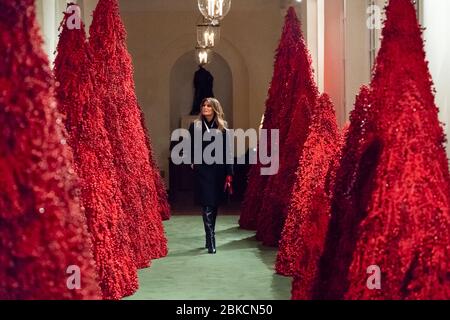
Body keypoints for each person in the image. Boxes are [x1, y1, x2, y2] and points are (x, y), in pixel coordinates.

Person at [189, 98, 234, 254]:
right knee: (207, 203)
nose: (205, 108)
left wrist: (229, 172)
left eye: (209, 106)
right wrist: (192, 161)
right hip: (203, 169)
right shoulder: (195, 126)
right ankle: (211, 239)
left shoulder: (223, 127)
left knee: (214, 204)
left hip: (218, 170)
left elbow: (228, 151)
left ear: (215, 108)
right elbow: (190, 146)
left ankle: (209, 237)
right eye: (203, 105)